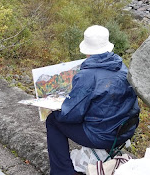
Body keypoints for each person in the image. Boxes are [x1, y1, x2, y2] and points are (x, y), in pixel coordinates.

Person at [45, 25, 140, 175]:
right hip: (124, 131)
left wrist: (57, 108)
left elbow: (70, 115)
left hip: (102, 136)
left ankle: (62, 172)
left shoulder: (87, 75)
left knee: (53, 121)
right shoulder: (122, 67)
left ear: (87, 49)